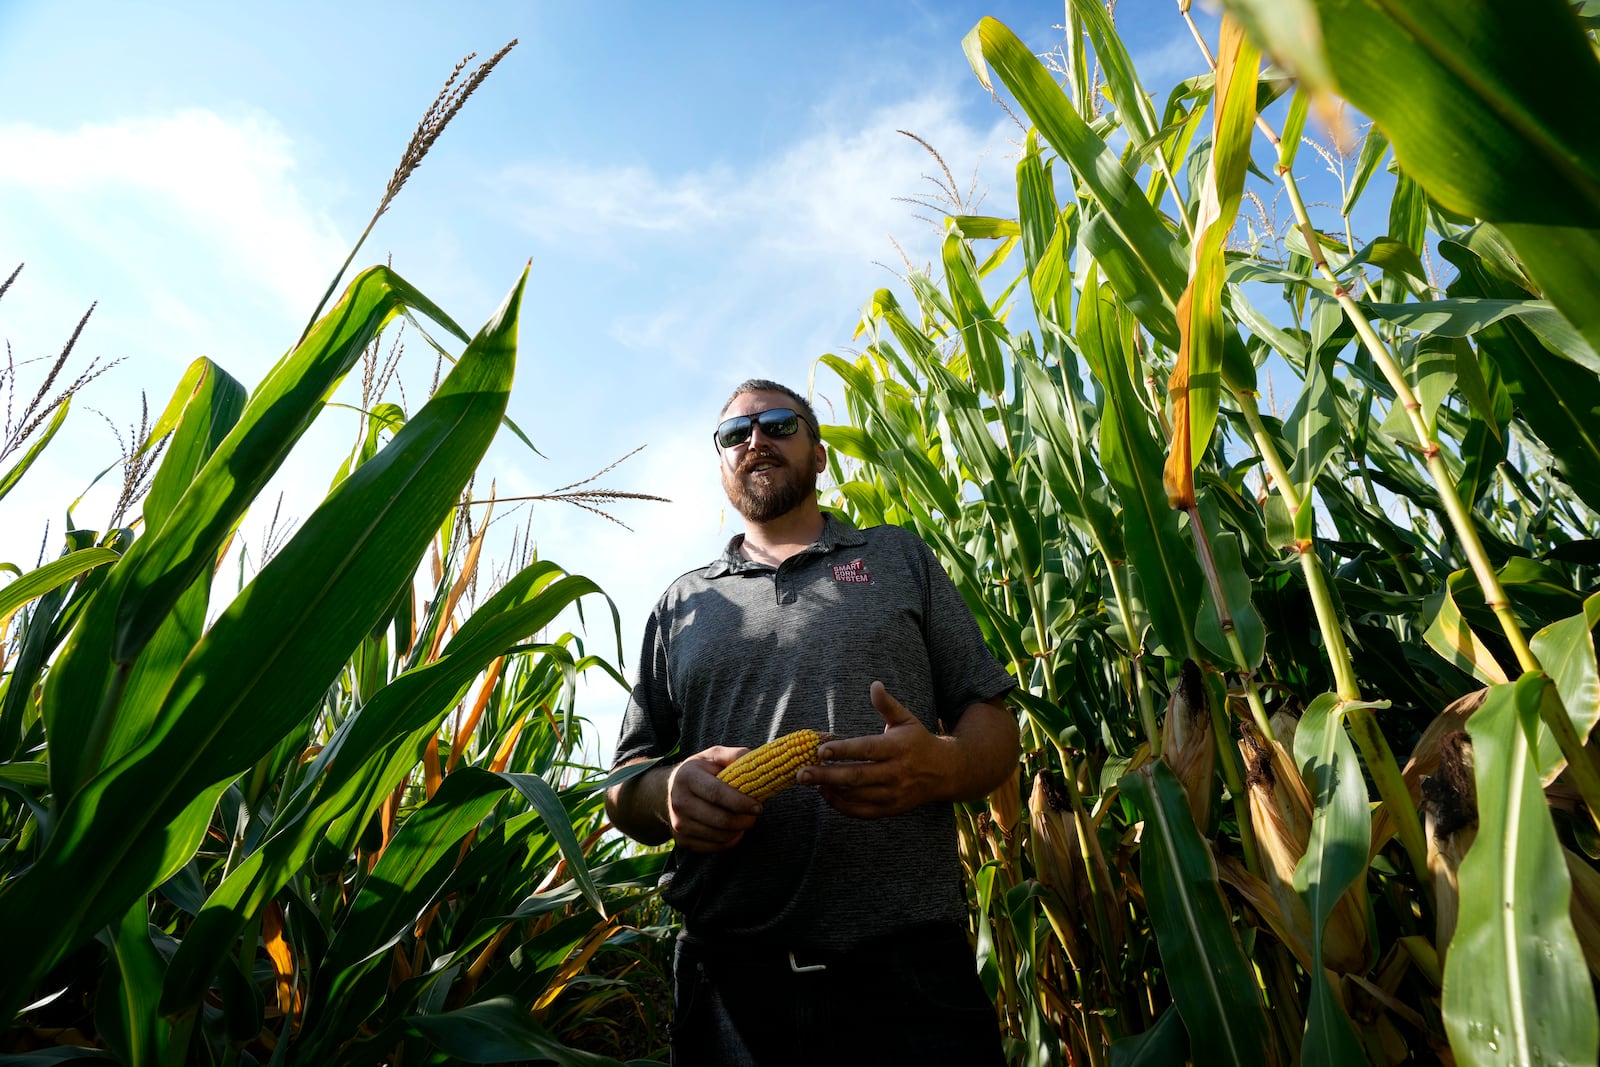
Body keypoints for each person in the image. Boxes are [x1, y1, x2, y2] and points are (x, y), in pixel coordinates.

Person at [605, 379, 1019, 1065]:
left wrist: (940, 765)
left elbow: (994, 722)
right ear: (721, 466)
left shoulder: (898, 558)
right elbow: (625, 780)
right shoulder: (683, 602)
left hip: (910, 976)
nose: (755, 441)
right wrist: (667, 790)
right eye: (735, 435)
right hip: (730, 989)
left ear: (820, 453)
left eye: (776, 424)